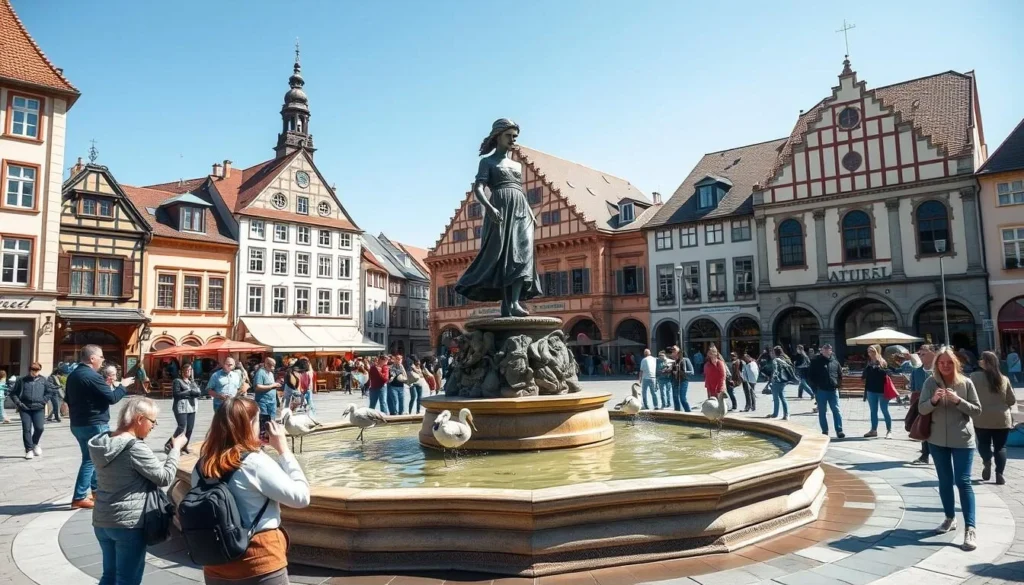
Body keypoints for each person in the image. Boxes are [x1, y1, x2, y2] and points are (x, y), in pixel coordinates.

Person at [192, 397, 310, 584]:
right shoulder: (254, 462)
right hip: (258, 560)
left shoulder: (202, 465)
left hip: (215, 560)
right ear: (250, 425)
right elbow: (301, 498)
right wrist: (283, 450)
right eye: (257, 421)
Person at [89, 397, 184, 585]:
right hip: (128, 525)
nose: (153, 426)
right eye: (153, 421)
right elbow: (164, 477)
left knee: (109, 576)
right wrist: (176, 450)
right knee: (127, 580)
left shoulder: (102, 442)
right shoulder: (134, 447)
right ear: (140, 419)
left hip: (102, 520)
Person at [454, 119, 541, 317]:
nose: (513, 140)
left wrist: (530, 212)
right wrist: (489, 208)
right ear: (498, 136)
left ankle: (516, 302)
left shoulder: (517, 166)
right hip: (500, 210)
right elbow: (478, 188)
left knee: (523, 255)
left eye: (515, 137)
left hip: (521, 211)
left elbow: (520, 190)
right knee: (503, 256)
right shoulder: (488, 162)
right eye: (509, 136)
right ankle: (506, 305)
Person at [919, 347, 982, 551]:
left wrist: (958, 400)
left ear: (955, 363)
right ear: (936, 364)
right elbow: (921, 408)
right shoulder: (930, 382)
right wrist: (934, 400)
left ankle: (970, 528)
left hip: (962, 439)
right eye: (941, 362)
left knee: (962, 482)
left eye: (949, 362)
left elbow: (977, 410)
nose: (945, 365)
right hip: (937, 440)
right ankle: (949, 518)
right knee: (944, 481)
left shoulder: (966, 382)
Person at [65, 345, 134, 509]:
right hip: (94, 423)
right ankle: (79, 497)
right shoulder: (92, 376)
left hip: (77, 423)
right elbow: (112, 398)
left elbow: (68, 398)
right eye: (101, 357)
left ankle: (97, 491)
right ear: (92, 358)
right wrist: (122, 386)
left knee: (94, 458)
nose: (102, 361)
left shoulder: (73, 375)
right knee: (91, 460)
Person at [971, 351, 1016, 485]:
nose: (979, 361)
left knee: (983, 443)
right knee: (1001, 447)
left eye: (981, 359)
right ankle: (999, 474)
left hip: (981, 417)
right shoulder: (1004, 378)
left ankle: (987, 461)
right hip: (1002, 419)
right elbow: (1011, 400)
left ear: (984, 362)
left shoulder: (974, 377)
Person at [9, 362, 53, 459]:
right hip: (25, 408)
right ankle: (28, 449)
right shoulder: (22, 380)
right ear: (30, 370)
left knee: (39, 428)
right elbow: (13, 393)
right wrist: (19, 404)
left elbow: (50, 392)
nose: (35, 372)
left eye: (37, 370)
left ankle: (35, 443)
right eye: (33, 370)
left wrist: (43, 401)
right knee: (27, 429)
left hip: (38, 408)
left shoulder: (43, 380)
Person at [807, 344, 845, 438]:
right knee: (822, 411)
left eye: (829, 349)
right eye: (825, 350)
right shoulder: (816, 362)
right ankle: (825, 431)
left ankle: (839, 430)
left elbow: (840, 374)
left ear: (831, 351)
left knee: (836, 410)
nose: (827, 351)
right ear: (822, 351)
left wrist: (838, 385)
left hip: (833, 390)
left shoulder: (835, 362)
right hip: (821, 391)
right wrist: (815, 389)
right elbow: (810, 377)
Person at [167, 363, 203, 454]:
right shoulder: (177, 381)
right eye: (186, 370)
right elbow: (176, 394)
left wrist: (188, 393)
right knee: (181, 426)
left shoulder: (192, 382)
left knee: (190, 428)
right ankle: (170, 443)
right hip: (181, 407)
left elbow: (198, 393)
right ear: (182, 371)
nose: (188, 372)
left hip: (192, 407)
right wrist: (190, 392)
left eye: (190, 370)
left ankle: (185, 446)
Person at [909, 345, 935, 465]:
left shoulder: (940, 370)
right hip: (922, 405)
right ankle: (925, 455)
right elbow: (913, 390)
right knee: (923, 427)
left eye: (923, 354)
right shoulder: (916, 372)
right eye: (919, 354)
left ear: (933, 353)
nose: (920, 356)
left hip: (938, 404)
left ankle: (935, 453)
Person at [861, 344, 892, 439]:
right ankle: (873, 430)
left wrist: (879, 368)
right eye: (869, 351)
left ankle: (889, 430)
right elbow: (864, 376)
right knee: (873, 411)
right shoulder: (869, 363)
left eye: (872, 351)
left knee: (884, 410)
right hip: (871, 390)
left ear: (876, 352)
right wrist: (868, 369)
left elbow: (888, 374)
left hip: (882, 391)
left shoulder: (882, 362)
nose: (870, 353)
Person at [253, 357, 281, 429]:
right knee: (264, 421)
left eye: (274, 365)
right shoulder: (260, 373)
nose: (273, 367)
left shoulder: (270, 373)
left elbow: (270, 384)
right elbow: (257, 387)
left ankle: (271, 436)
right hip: (263, 402)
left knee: (272, 421)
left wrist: (276, 384)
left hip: (272, 401)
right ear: (267, 364)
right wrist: (272, 386)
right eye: (272, 365)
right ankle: (264, 436)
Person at [767, 346, 790, 420]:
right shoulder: (785, 357)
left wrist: (772, 380)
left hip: (777, 381)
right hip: (784, 380)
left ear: (775, 352)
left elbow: (775, 371)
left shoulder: (776, 360)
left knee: (776, 398)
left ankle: (775, 414)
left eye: (773, 352)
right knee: (782, 397)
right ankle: (786, 414)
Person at [670, 346, 694, 412]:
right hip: (675, 381)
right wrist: (670, 371)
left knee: (682, 398)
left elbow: (692, 372)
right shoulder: (673, 362)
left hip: (683, 381)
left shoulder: (686, 360)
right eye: (672, 351)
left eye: (674, 350)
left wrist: (681, 372)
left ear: (678, 352)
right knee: (675, 397)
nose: (673, 352)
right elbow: (672, 372)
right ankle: (677, 412)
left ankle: (688, 412)